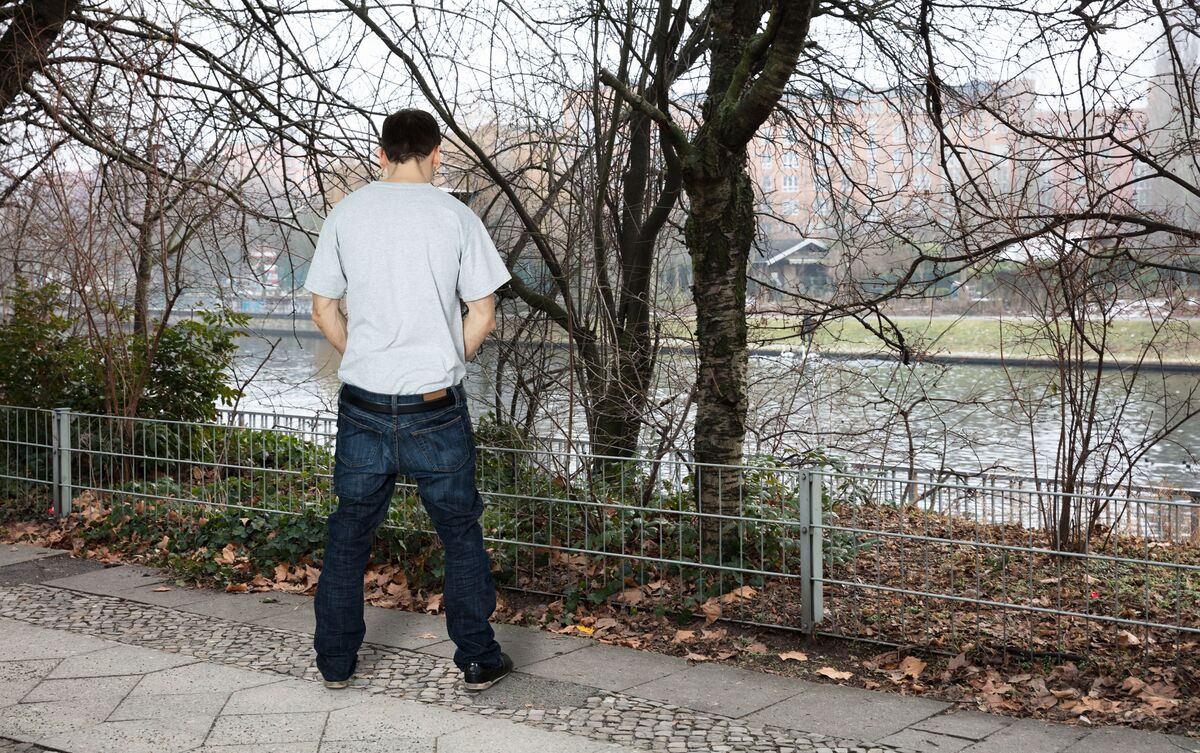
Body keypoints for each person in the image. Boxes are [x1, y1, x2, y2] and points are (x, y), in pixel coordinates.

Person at [304, 108, 513, 692]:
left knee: (349, 531)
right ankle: (476, 658)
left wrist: (362, 358)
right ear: (437, 153)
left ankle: (336, 663)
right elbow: (484, 311)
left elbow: (322, 308)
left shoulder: (345, 215)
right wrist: (445, 359)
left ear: (382, 153)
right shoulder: (456, 217)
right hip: (434, 406)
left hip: (364, 402)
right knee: (460, 531)